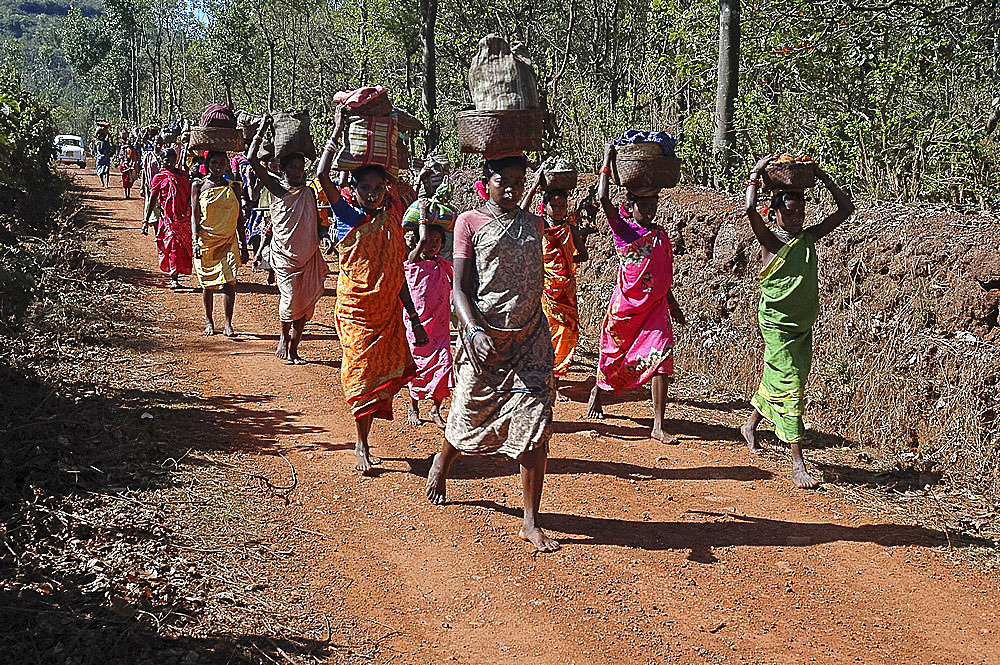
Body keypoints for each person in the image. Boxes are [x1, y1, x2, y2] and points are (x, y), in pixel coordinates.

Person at [425, 155, 560, 553]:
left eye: (520, 180)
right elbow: (460, 290)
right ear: (488, 181)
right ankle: (444, 460)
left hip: (529, 339)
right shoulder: (469, 223)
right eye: (505, 180)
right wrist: (472, 329)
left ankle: (530, 521)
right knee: (467, 415)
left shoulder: (533, 225)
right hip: (483, 338)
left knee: (536, 423)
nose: (514, 187)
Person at [316, 106, 429, 474]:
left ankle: (365, 438)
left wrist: (414, 315)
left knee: (382, 371)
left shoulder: (393, 215)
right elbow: (321, 174)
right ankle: (361, 442)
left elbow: (395, 272)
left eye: (378, 188)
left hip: (388, 311)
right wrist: (337, 130)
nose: (372, 194)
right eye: (365, 188)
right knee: (361, 370)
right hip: (355, 310)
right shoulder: (348, 216)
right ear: (354, 190)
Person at [742, 154, 855, 489]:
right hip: (776, 323)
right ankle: (797, 462)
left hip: (802, 325)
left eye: (800, 213)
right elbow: (749, 209)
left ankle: (750, 424)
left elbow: (845, 209)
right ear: (774, 212)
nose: (795, 218)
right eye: (788, 212)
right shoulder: (771, 240)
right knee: (792, 385)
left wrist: (821, 175)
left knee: (784, 379)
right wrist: (755, 172)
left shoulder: (807, 238)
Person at [586, 141, 686, 443]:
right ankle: (599, 391)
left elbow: (661, 274)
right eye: (643, 204)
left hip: (655, 307)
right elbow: (602, 197)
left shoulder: (660, 234)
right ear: (629, 207)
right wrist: (606, 159)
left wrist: (672, 303)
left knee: (661, 355)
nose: (649, 209)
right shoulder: (625, 230)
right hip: (627, 308)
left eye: (653, 203)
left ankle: (657, 424)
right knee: (614, 358)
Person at [247, 117, 330, 364]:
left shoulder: (309, 192)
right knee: (290, 300)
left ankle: (294, 348)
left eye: (301, 168)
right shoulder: (277, 189)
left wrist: (324, 236)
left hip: (309, 255)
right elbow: (252, 159)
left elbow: (317, 220)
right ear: (283, 171)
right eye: (293, 168)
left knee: (304, 305)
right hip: (284, 258)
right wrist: (261, 130)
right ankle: (283, 337)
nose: (298, 172)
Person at [521, 169, 588, 395]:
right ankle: (550, 377)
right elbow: (521, 212)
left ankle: (557, 374)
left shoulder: (571, 229)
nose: (559, 210)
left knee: (567, 332)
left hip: (566, 290)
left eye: (562, 206)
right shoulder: (540, 227)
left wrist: (567, 260)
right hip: (546, 289)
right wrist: (532, 187)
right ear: (545, 206)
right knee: (548, 331)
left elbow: (583, 255)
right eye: (554, 206)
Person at [190, 150, 247, 336]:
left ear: (227, 165)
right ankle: (209, 321)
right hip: (206, 241)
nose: (218, 166)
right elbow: (194, 216)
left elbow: (240, 218)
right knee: (207, 283)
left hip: (229, 240)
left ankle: (228, 324)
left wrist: (244, 245)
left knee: (229, 282)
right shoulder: (198, 186)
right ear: (207, 164)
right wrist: (195, 240)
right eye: (214, 162)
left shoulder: (235, 186)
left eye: (222, 163)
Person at [403, 224, 454, 428]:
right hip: (417, 326)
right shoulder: (412, 262)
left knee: (444, 366)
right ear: (417, 242)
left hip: (440, 328)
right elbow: (422, 241)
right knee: (417, 368)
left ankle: (435, 409)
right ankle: (413, 406)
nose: (432, 245)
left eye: (437, 241)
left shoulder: (443, 265)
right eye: (428, 241)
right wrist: (423, 218)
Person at [144, 147, 193, 289]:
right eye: (167, 160)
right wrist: (145, 220)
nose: (171, 162)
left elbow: (190, 194)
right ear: (162, 161)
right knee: (172, 245)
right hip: (168, 218)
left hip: (184, 217)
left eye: (173, 159)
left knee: (183, 247)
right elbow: (152, 199)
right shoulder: (159, 177)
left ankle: (178, 272)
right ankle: (174, 278)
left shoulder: (183, 175)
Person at [140, 136, 163, 235]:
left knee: (161, 211)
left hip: (162, 187)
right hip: (150, 187)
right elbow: (144, 172)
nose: (158, 145)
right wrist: (141, 187)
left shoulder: (164, 156)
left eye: (160, 144)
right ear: (152, 143)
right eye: (156, 143)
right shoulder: (148, 156)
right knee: (152, 209)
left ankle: (160, 233)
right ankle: (156, 231)